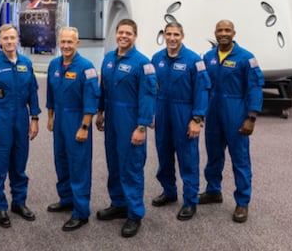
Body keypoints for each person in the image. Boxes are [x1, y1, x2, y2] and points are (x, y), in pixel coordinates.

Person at [96, 18, 156, 238]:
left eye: (128, 33)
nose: (123, 36)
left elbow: (148, 96)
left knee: (131, 166)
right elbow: (103, 88)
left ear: (135, 36)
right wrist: (100, 112)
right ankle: (118, 203)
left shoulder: (143, 63)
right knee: (114, 164)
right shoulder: (108, 59)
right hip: (111, 118)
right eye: (120, 32)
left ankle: (134, 213)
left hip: (131, 119)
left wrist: (142, 126)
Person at [199, 20, 264, 223]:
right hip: (213, 113)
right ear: (215, 33)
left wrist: (251, 117)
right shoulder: (208, 57)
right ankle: (213, 191)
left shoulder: (246, 58)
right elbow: (202, 86)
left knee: (240, 158)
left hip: (236, 113)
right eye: (220, 30)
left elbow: (255, 87)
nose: (223, 33)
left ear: (234, 32)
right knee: (214, 155)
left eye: (227, 30)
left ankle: (242, 202)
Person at [0, 24, 40, 228]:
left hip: (21, 118)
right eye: (5, 38)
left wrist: (35, 119)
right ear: (0, 41)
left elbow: (33, 92)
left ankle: (19, 202)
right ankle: (0, 206)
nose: (9, 41)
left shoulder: (26, 63)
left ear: (17, 39)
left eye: (12, 37)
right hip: (0, 118)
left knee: (19, 163)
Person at [150, 22, 210, 221]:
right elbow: (151, 89)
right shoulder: (156, 59)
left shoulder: (194, 61)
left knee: (188, 158)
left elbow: (202, 91)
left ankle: (190, 200)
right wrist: (151, 112)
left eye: (176, 34)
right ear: (164, 35)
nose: (172, 38)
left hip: (184, 112)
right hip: (162, 112)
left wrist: (196, 119)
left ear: (182, 36)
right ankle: (169, 191)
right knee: (164, 154)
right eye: (168, 34)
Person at [45, 27, 100, 232]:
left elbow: (91, 99)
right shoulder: (54, 65)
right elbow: (50, 94)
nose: (66, 46)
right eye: (63, 42)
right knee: (61, 161)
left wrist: (85, 126)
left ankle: (81, 212)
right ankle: (66, 199)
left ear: (78, 43)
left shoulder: (86, 67)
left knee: (79, 165)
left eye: (70, 42)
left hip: (77, 119)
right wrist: (51, 118)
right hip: (60, 119)